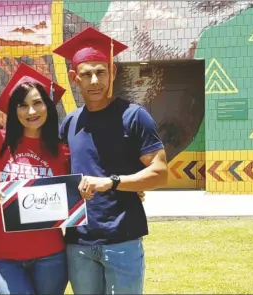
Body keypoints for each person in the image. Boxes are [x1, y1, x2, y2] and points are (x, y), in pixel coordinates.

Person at [53, 27, 169, 294]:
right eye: (86, 74)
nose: (95, 80)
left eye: (101, 72)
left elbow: (160, 172)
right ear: (74, 78)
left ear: (113, 73)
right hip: (79, 244)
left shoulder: (134, 117)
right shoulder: (70, 122)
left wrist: (114, 182)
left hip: (122, 241)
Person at [0, 62, 69, 295]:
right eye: (22, 105)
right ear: (13, 110)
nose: (31, 112)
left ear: (48, 106)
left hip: (50, 255)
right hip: (3, 256)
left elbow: (77, 189)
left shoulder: (62, 151)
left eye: (37, 103)